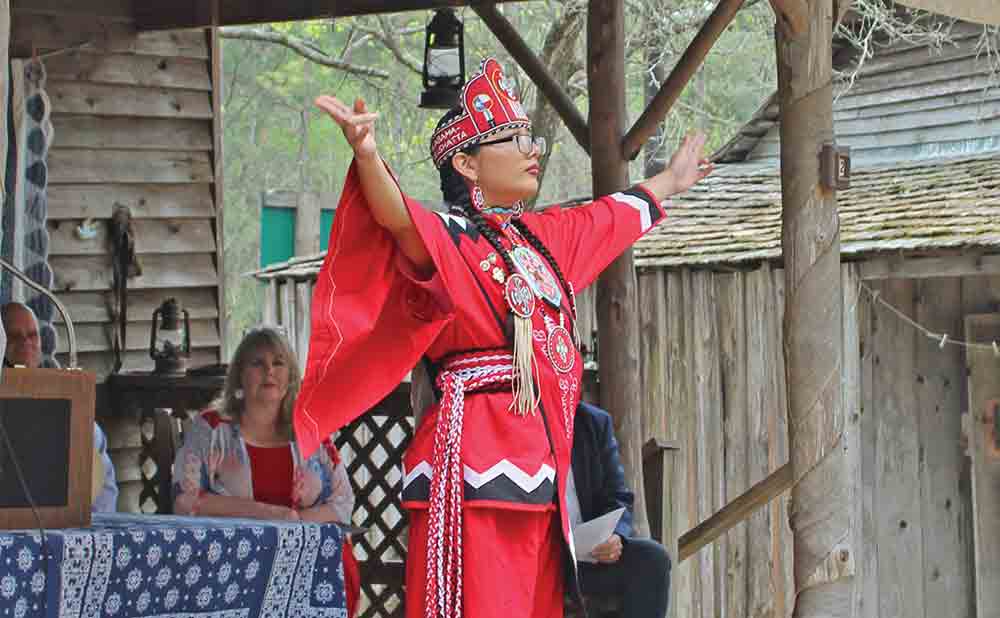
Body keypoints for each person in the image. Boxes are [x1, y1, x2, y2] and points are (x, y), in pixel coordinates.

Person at [294, 57, 711, 618]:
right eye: (513, 140)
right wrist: (368, 156)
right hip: (476, 472)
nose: (532, 149)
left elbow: (609, 217)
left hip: (540, 478)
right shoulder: (452, 241)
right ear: (466, 162)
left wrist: (672, 182)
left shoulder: (541, 241)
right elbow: (396, 218)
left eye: (529, 138)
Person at [172, 326, 360, 616]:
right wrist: (268, 515)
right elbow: (184, 501)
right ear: (240, 376)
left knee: (337, 558)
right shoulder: (210, 428)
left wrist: (293, 522)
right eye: (257, 363)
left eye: (278, 363)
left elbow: (343, 503)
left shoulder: (309, 431)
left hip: (301, 555)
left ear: (290, 376)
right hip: (232, 556)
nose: (269, 371)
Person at [1, 301, 119, 512]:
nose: (26, 342)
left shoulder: (64, 398)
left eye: (32, 335)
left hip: (68, 529)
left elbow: (102, 489)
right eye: (15, 336)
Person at [569, 402, 671, 617]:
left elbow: (619, 495)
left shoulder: (593, 422)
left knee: (653, 559)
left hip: (588, 554)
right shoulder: (520, 420)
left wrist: (616, 536)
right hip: (539, 558)